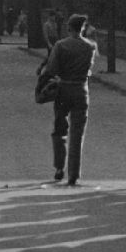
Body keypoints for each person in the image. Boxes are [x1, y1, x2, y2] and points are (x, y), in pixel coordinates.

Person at [37, 14, 98, 186]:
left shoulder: (61, 45)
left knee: (60, 127)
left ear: (68, 28)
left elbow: (52, 68)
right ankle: (74, 174)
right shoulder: (90, 47)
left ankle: (59, 167)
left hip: (63, 89)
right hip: (81, 90)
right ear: (83, 28)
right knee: (78, 133)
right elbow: (89, 68)